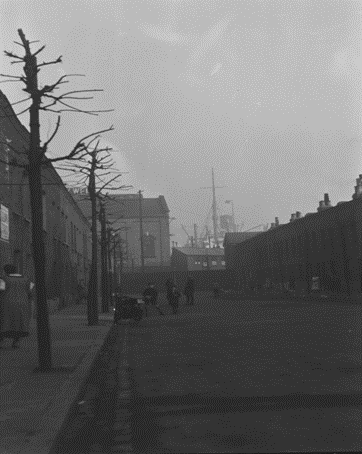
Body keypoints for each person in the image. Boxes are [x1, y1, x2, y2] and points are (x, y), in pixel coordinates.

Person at [0, 264, 34, 349]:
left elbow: (1, 291)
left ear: (6, 271)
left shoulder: (3, 279)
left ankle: (1, 340)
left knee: (4, 321)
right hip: (23, 304)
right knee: (19, 322)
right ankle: (16, 342)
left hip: (6, 303)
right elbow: (30, 292)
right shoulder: (26, 279)